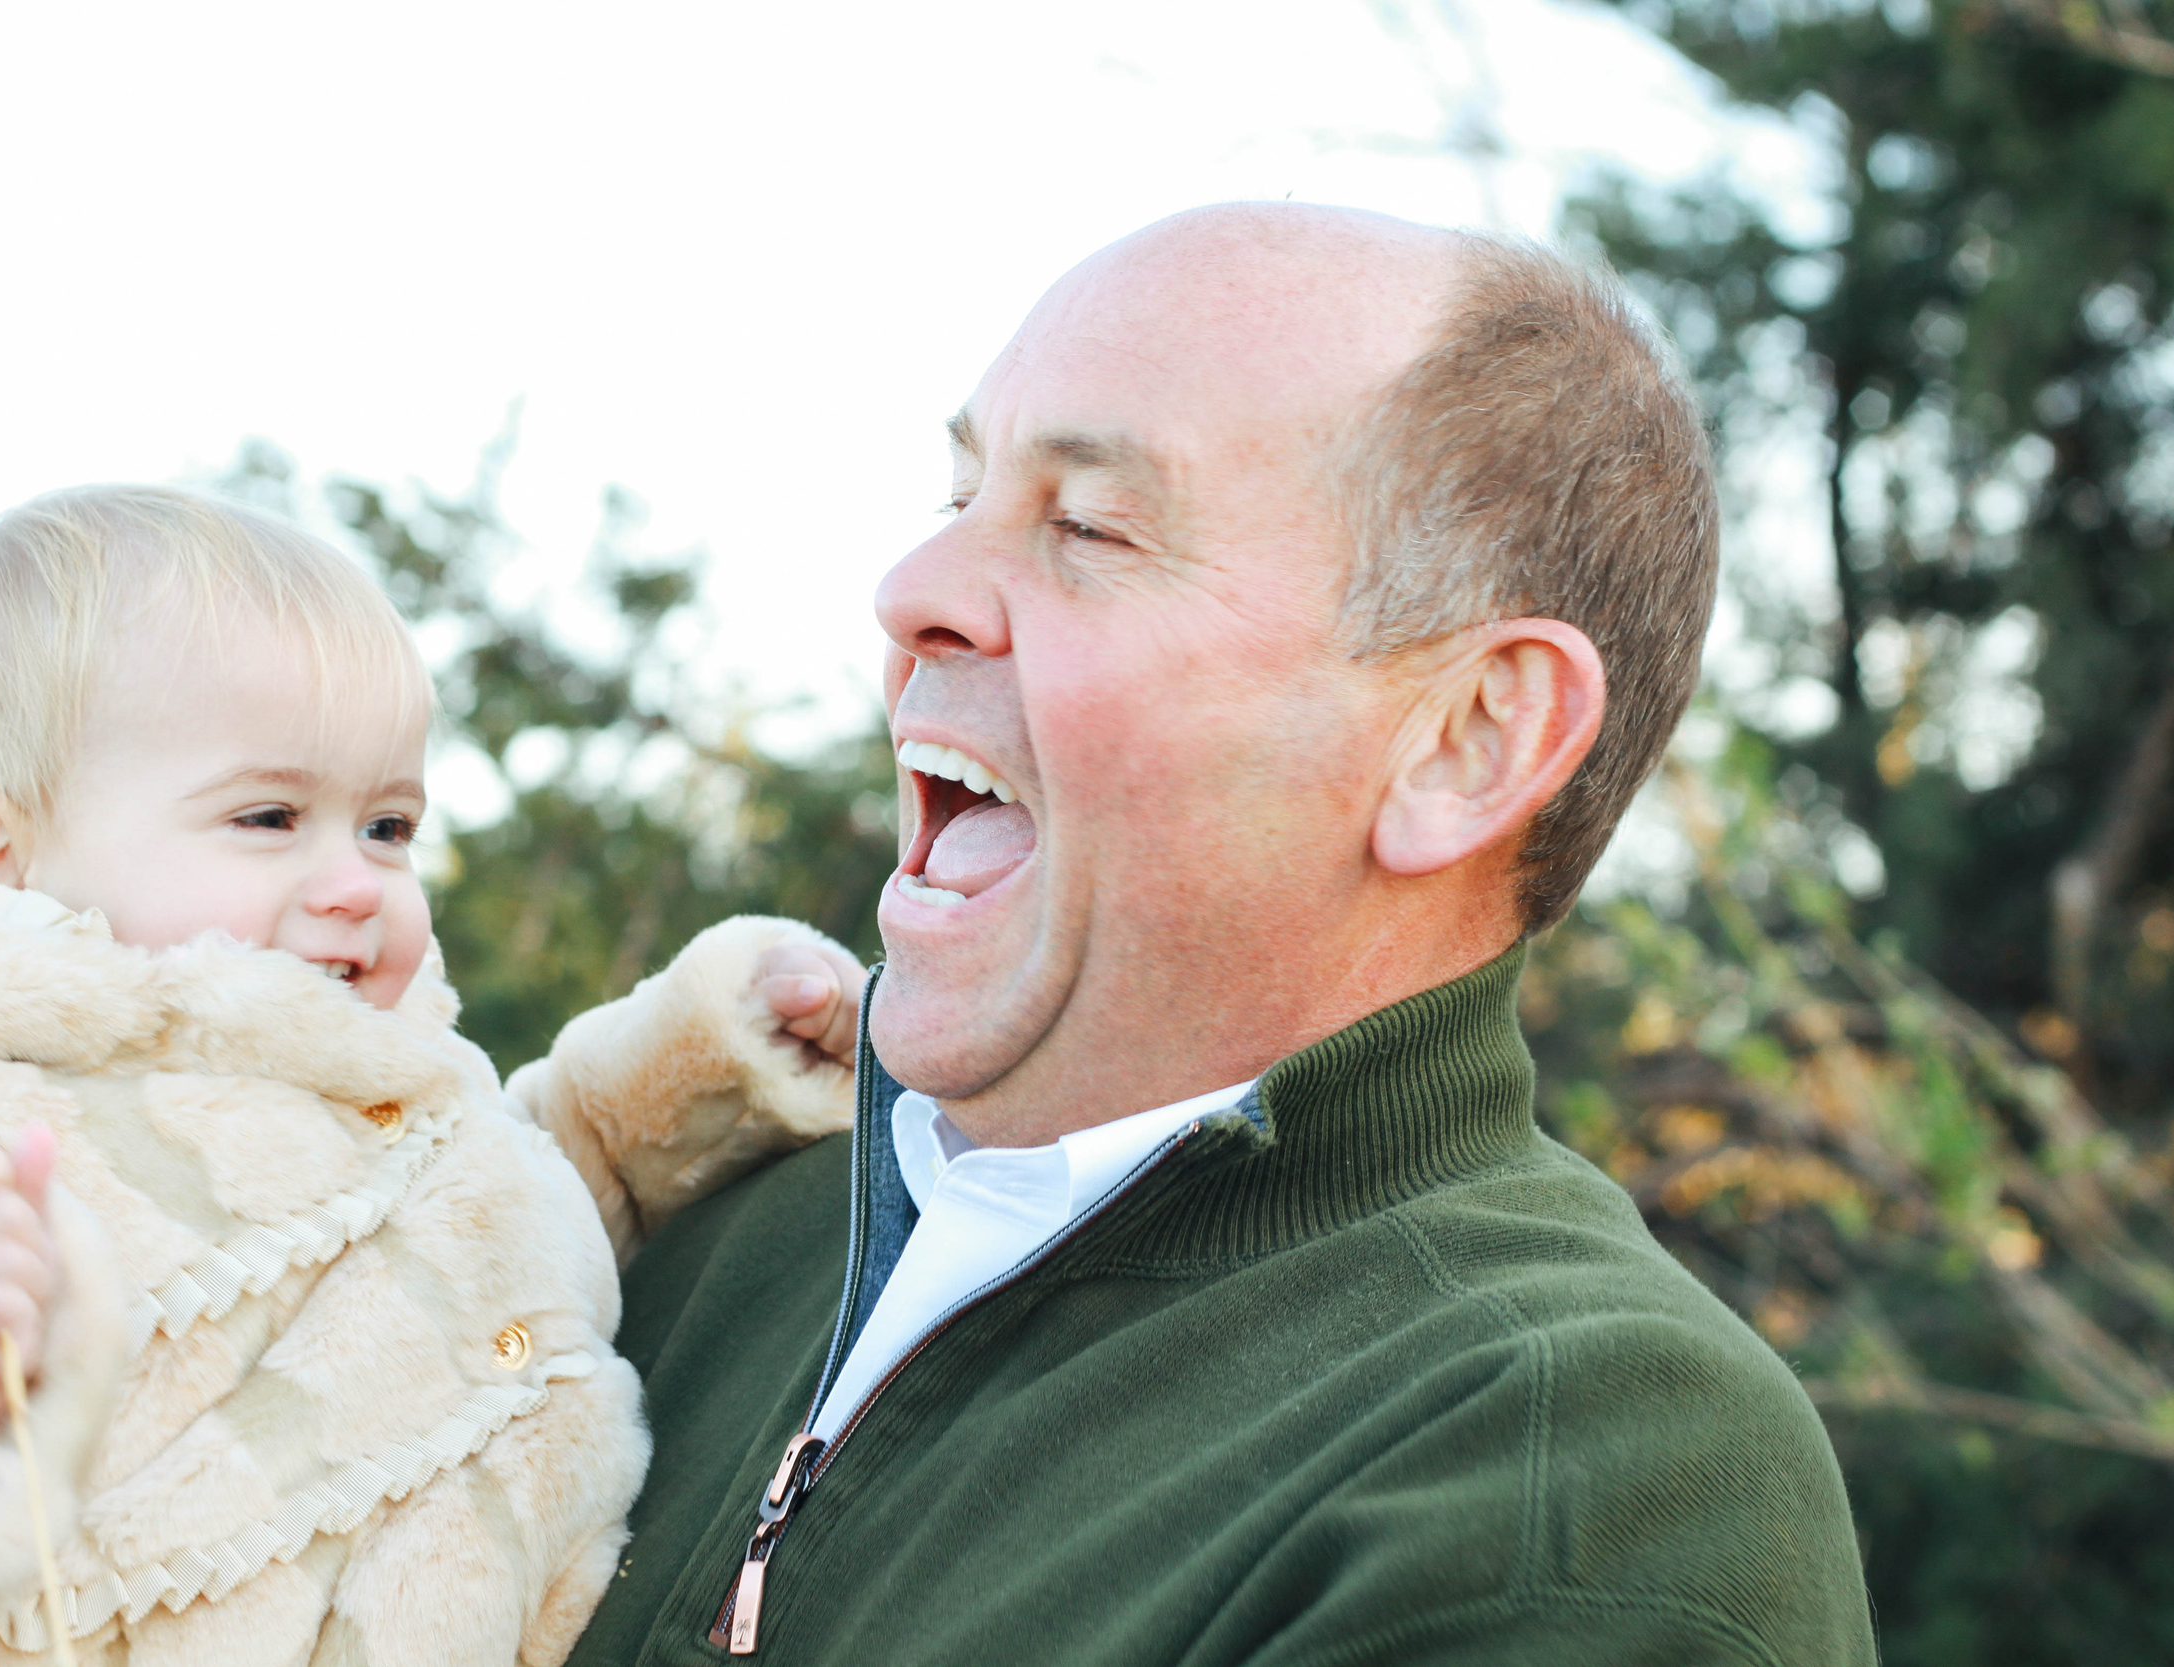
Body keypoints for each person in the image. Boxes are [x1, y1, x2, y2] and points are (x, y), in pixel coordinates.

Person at [566, 204, 1879, 1665]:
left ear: (1467, 738)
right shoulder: (678, 1198)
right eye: (958, 500)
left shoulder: (1566, 1479)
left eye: (1089, 526)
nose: (911, 591)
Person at [0, 485, 865, 1667]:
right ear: (0, 860)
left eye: (389, 825)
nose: (356, 878)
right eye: (268, 815)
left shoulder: (389, 1072)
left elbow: (506, 1208)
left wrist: (695, 1069)